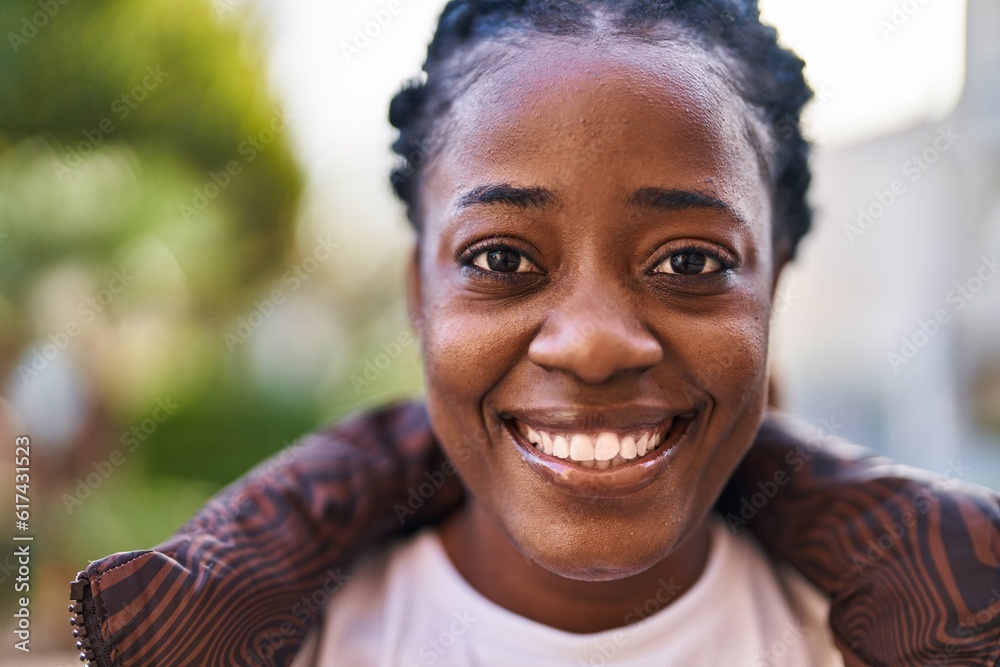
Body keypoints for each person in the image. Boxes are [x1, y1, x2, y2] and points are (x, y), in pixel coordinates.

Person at [69, 1, 1000, 665]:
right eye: (502, 260)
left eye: (691, 263)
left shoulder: (895, 636)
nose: (593, 344)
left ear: (773, 292)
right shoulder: (298, 643)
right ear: (419, 294)